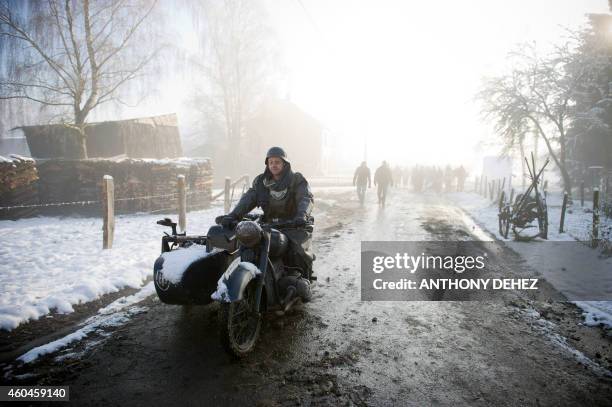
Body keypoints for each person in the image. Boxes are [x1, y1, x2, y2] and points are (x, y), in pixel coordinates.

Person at [217, 147, 315, 284]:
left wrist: (301, 216)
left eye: (277, 162)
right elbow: (248, 199)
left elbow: (305, 198)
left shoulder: (296, 180)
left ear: (285, 164)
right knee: (246, 244)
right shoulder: (261, 182)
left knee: (297, 250)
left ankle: (303, 277)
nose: (274, 165)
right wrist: (233, 215)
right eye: (271, 162)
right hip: (269, 224)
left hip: (293, 225)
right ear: (267, 164)